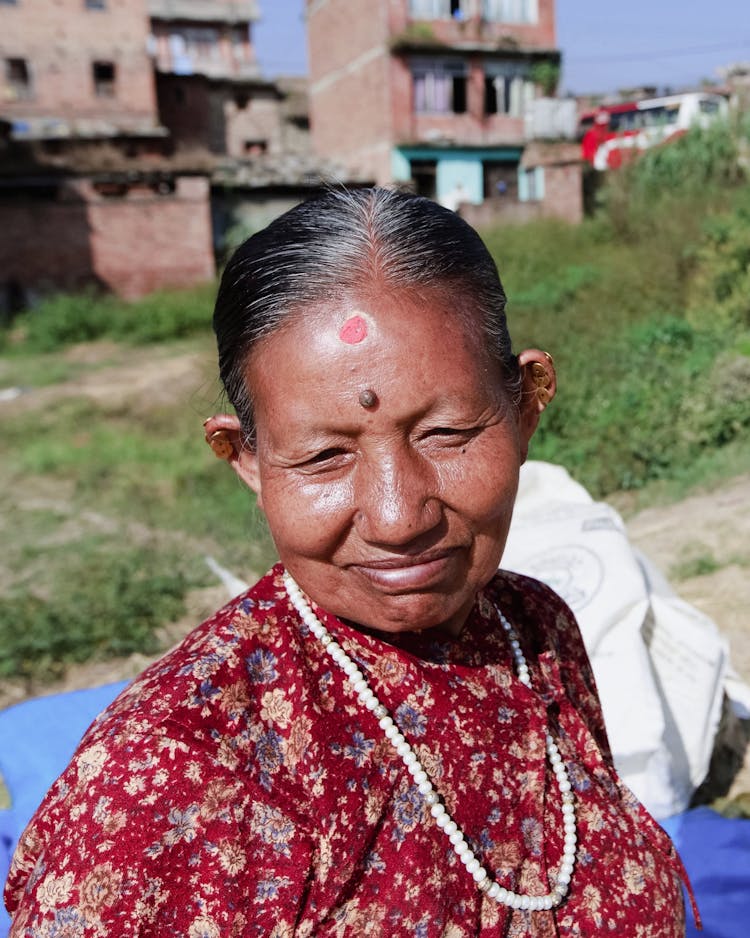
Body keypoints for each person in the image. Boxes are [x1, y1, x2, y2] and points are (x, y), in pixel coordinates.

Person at [4, 188, 694, 936]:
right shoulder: (172, 777)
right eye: (324, 457)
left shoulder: (533, 628)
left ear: (526, 407)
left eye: (448, 432)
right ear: (247, 460)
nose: (399, 518)